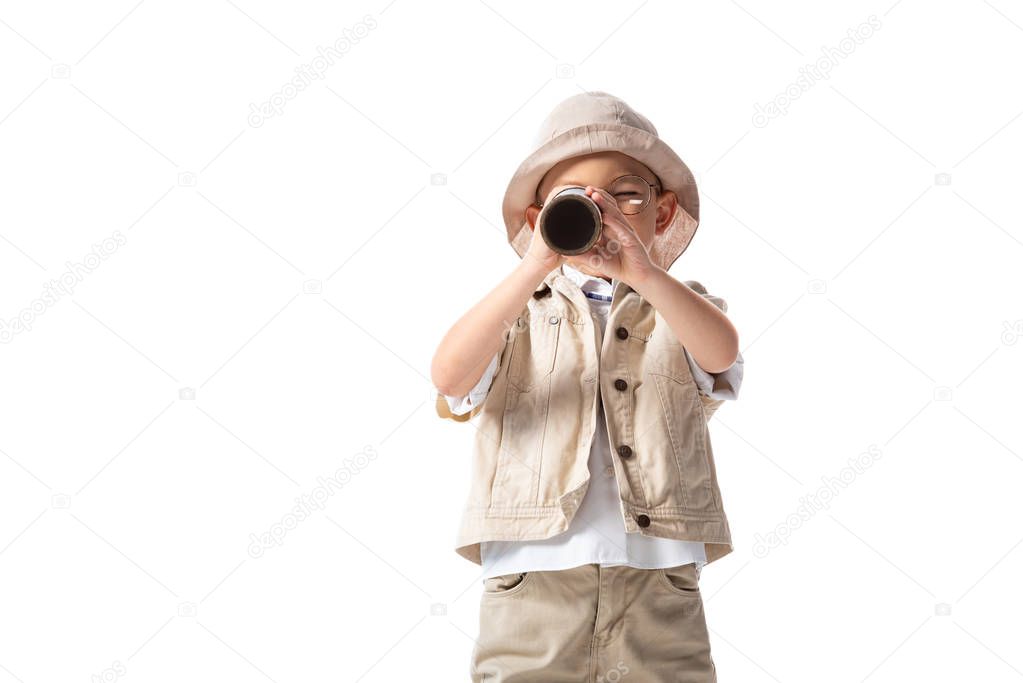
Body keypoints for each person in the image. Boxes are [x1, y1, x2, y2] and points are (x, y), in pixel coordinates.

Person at [431, 91, 744, 682]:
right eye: (577, 201)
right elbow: (450, 377)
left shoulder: (679, 307)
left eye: (626, 194)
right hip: (534, 571)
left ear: (664, 211)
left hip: (659, 572)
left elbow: (720, 352)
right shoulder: (515, 312)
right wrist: (534, 266)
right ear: (540, 218)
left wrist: (644, 273)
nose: (607, 215)